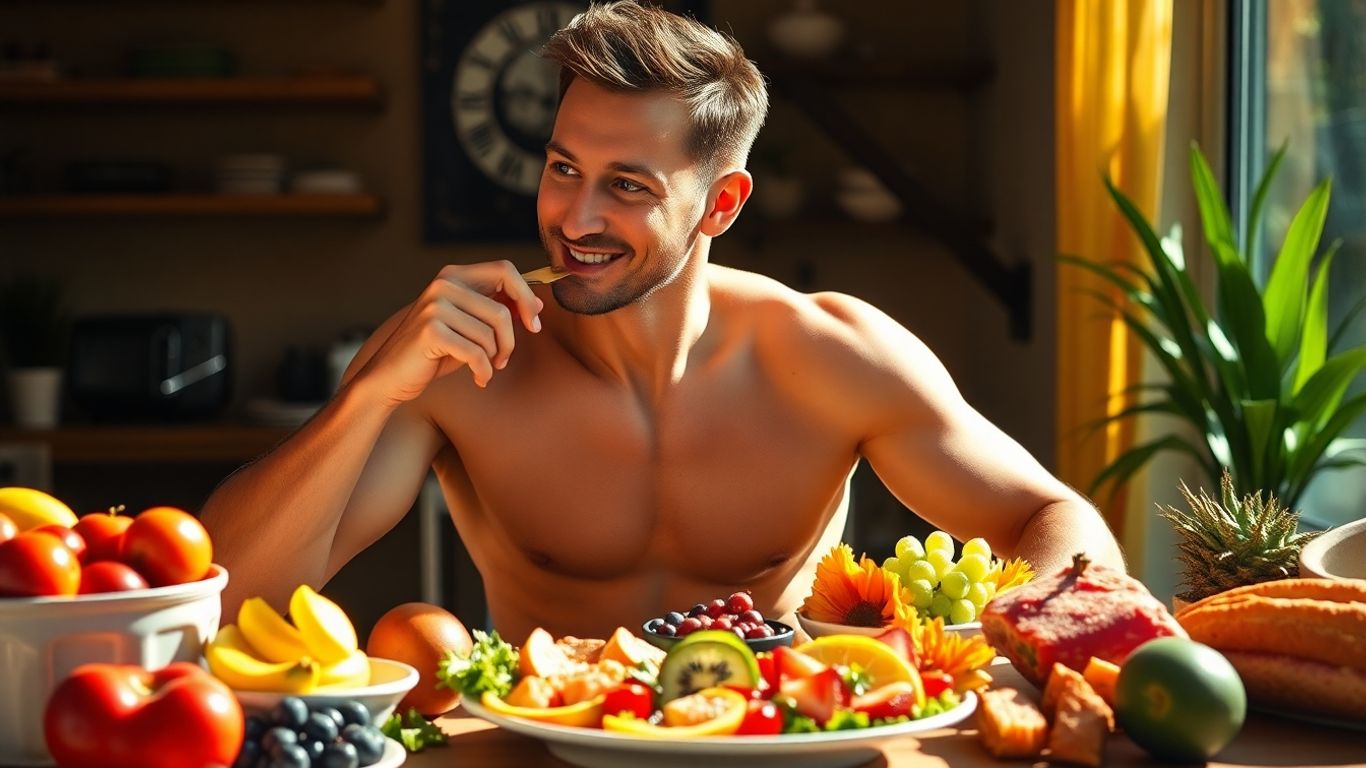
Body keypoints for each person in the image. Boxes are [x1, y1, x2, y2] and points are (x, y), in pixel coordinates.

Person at [201, 1, 1123, 642]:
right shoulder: (459, 360)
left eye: (628, 187)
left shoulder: (833, 354)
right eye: (563, 168)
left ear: (721, 205)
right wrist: (366, 395)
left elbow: (1053, 515)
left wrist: (1025, 646)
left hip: (769, 750)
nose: (576, 217)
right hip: (545, 758)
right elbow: (225, 601)